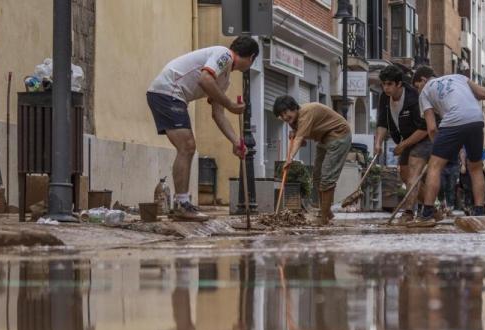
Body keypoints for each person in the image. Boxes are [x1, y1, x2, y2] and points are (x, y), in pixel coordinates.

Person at [147, 37, 259, 220]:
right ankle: (182, 205)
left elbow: (218, 114)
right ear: (251, 57)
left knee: (187, 147)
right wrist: (230, 103)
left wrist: (235, 141)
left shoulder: (224, 79)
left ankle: (182, 204)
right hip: (167, 91)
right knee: (187, 147)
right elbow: (205, 79)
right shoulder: (224, 55)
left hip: (171, 96)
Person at [410, 67, 485, 227]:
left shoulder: (425, 92)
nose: (418, 90)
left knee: (435, 166)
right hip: (476, 119)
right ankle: (479, 212)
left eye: (417, 86)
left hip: (453, 120)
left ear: (424, 80)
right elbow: (484, 94)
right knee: (475, 167)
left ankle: (427, 214)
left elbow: (432, 128)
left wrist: (438, 148)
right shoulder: (459, 77)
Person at [274, 96, 352, 225]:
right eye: (282, 116)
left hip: (339, 135)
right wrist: (294, 134)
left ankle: (324, 217)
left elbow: (299, 141)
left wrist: (290, 159)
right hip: (324, 139)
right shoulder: (294, 120)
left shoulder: (306, 113)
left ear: (293, 108)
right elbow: (303, 141)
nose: (285, 118)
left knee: (327, 177)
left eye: (286, 113)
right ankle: (327, 212)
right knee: (317, 176)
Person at [374, 65, 431, 224]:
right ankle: (433, 207)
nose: (386, 88)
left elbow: (424, 128)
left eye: (390, 84)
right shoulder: (385, 97)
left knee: (413, 170)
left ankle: (408, 212)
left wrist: (403, 145)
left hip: (423, 138)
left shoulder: (414, 97)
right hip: (405, 140)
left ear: (399, 84)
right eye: (383, 84)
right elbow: (382, 122)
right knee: (406, 176)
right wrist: (378, 143)